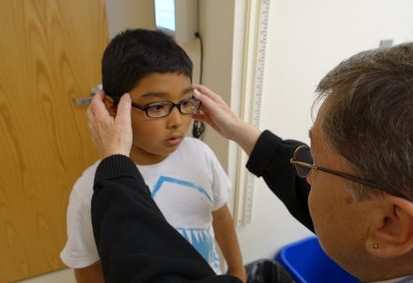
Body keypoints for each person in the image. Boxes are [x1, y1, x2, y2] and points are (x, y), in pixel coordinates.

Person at [88, 42, 413, 283]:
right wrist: (247, 135)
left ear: (391, 225)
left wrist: (114, 169)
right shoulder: (84, 192)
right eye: (158, 106)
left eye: (315, 165)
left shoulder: (200, 157)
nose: (305, 175)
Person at [61, 29, 246, 283]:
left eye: (186, 102)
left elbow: (220, 216)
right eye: (157, 107)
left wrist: (237, 271)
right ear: (112, 109)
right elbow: (88, 266)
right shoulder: (90, 190)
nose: (177, 121)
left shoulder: (201, 155)